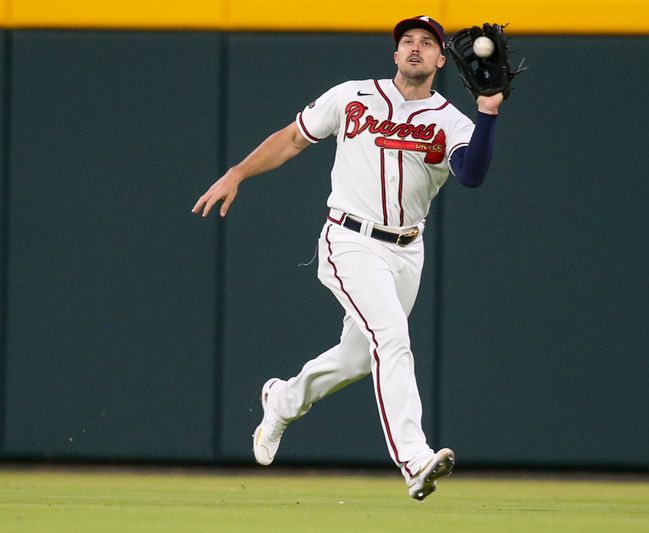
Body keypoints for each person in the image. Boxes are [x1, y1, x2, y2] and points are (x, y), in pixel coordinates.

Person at [192, 15, 504, 501]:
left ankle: (281, 399)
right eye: (407, 42)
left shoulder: (451, 121)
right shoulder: (353, 96)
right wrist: (238, 172)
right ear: (395, 54)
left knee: (358, 358)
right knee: (392, 336)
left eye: (427, 43)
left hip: (406, 250)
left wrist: (487, 111)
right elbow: (294, 137)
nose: (416, 48)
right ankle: (415, 458)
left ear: (443, 59)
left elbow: (472, 174)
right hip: (349, 239)